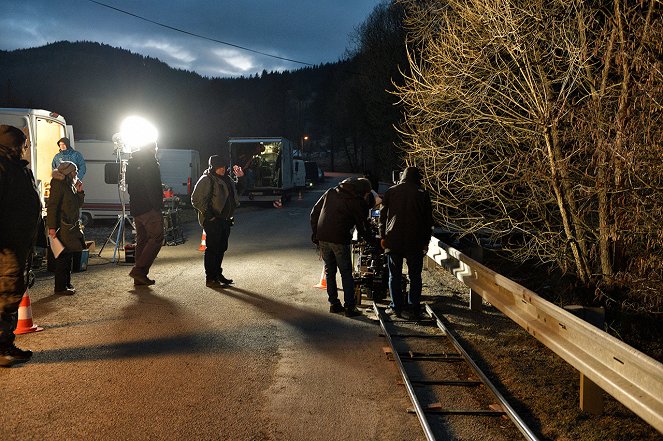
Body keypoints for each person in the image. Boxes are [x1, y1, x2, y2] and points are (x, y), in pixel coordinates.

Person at [0, 125, 41, 367]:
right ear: (12, 144)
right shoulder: (3, 168)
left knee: (12, 292)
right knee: (5, 293)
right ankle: (1, 348)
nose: (26, 149)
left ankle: (7, 344)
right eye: (23, 144)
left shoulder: (17, 168)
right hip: (6, 246)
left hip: (19, 244)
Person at [310, 177, 374, 317]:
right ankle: (350, 307)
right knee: (346, 273)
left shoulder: (331, 192)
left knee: (330, 271)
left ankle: (334, 304)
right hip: (339, 238)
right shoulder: (356, 201)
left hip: (323, 237)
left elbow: (314, 212)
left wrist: (316, 234)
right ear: (362, 190)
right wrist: (374, 242)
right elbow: (363, 226)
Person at [379, 166, 433, 319]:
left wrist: (382, 236)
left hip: (393, 240)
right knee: (415, 275)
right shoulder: (423, 194)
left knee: (394, 275)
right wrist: (425, 241)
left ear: (402, 176)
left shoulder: (391, 191)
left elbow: (382, 217)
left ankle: (396, 306)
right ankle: (413, 306)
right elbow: (427, 221)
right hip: (414, 241)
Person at [191, 154, 240, 288]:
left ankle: (217, 274)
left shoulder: (227, 179)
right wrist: (209, 215)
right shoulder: (207, 179)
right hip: (213, 220)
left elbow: (236, 193)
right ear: (213, 167)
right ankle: (210, 278)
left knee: (221, 248)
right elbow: (196, 199)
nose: (222, 169)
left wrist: (241, 178)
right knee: (212, 249)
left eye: (224, 166)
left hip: (225, 220)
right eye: (219, 167)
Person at [125, 142, 164, 286]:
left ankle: (139, 278)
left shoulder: (132, 161)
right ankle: (139, 271)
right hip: (149, 208)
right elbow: (151, 185)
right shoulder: (150, 162)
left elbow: (129, 187)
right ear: (152, 148)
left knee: (142, 240)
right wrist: (157, 205)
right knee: (157, 237)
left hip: (136, 207)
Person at [47, 161, 85, 295]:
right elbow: (52, 206)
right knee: (63, 256)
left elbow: (77, 205)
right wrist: (52, 227)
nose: (76, 173)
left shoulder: (70, 185)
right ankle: (60, 287)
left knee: (68, 255)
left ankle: (66, 284)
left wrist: (80, 191)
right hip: (62, 226)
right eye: (74, 171)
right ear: (68, 172)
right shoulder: (58, 185)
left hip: (70, 226)